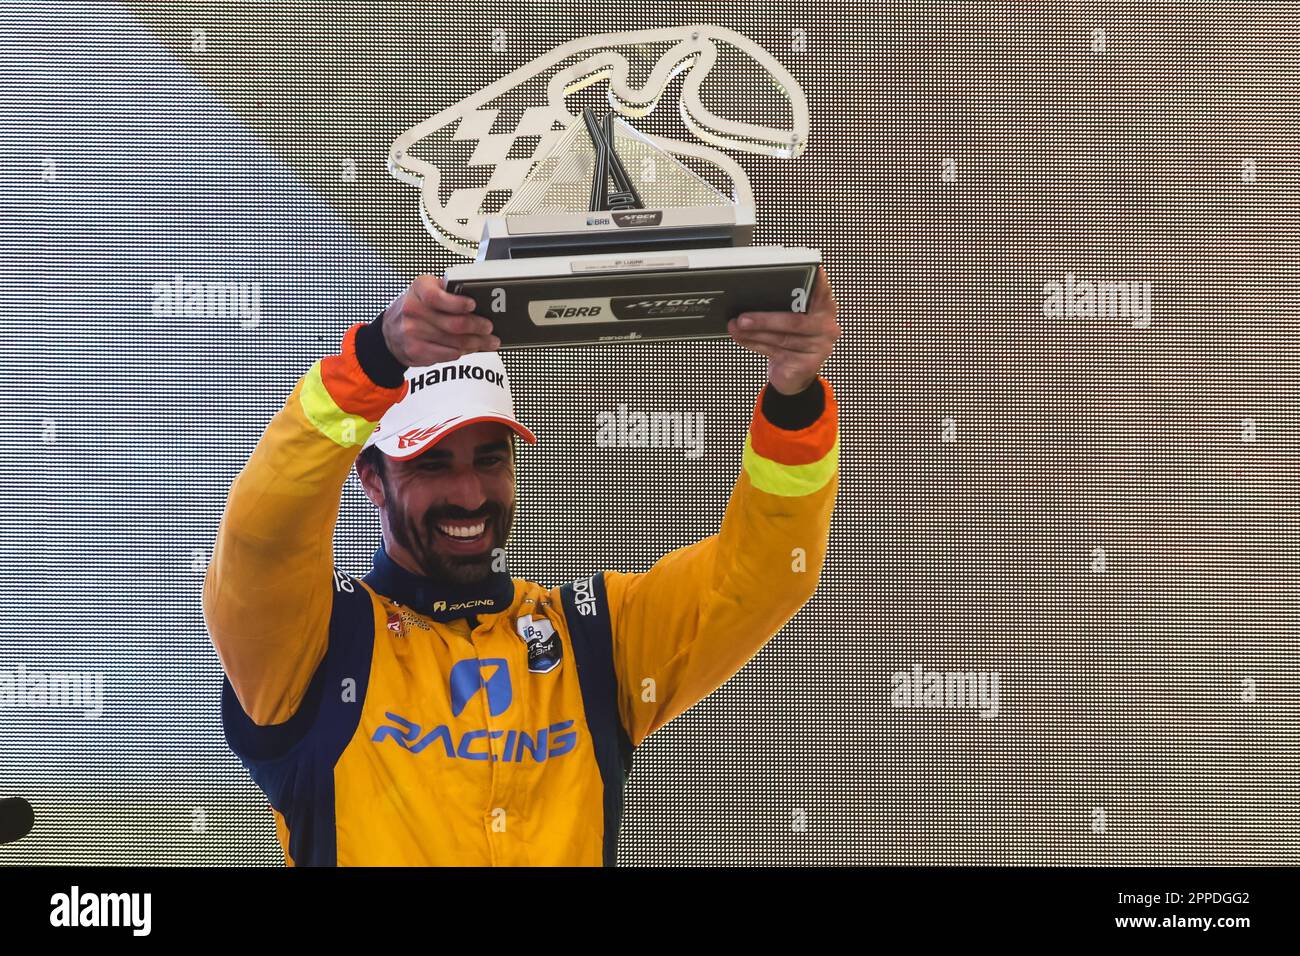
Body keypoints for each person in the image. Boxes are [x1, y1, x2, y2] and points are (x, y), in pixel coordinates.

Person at [203, 268, 842, 865]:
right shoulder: (315, 644)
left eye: (490, 458)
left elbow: (762, 573)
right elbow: (265, 536)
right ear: (370, 479)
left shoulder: (594, 635)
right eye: (432, 464)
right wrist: (372, 360)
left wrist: (794, 398)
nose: (471, 494)